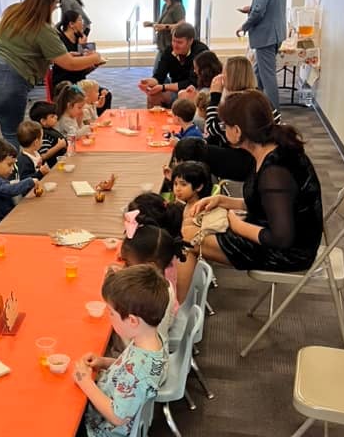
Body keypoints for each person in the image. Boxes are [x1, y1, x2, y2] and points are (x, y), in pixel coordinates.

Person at [176, 90, 323, 302]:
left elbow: (281, 239)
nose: (223, 129)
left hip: (288, 252)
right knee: (190, 222)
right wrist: (224, 201)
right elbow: (270, 205)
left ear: (237, 131)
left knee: (187, 238)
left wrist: (236, 224)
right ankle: (181, 303)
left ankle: (177, 311)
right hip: (280, 233)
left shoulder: (275, 172)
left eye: (225, 125)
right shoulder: (271, 150)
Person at [0, 0, 104, 176]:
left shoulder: (14, 12)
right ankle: (17, 180)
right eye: (55, 5)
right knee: (13, 133)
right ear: (49, 3)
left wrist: (68, 56)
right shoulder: (42, 27)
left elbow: (40, 51)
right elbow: (68, 64)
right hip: (7, 76)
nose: (55, 9)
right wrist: (94, 57)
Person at [69, 265, 168, 437]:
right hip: (102, 417)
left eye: (111, 314)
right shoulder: (149, 341)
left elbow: (118, 416)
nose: (109, 318)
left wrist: (86, 383)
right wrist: (104, 362)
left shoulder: (142, 364)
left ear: (132, 321)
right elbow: (130, 373)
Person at [236, 0, 287, 111]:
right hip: (277, 33)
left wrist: (244, 26)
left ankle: (273, 114)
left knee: (268, 77)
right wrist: (250, 8)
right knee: (257, 73)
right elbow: (271, 5)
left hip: (266, 36)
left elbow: (258, 12)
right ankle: (252, 105)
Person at [120, 215, 186, 334]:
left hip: (148, 340)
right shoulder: (160, 280)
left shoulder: (149, 297)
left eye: (127, 263)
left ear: (150, 266)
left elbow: (130, 329)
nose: (124, 268)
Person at [206, 55, 282, 147]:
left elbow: (212, 128)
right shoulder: (260, 97)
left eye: (224, 72)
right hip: (263, 146)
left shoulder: (234, 103)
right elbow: (277, 120)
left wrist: (215, 97)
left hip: (242, 151)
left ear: (230, 76)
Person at [138, 23, 209, 108]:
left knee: (184, 96)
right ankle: (157, 121)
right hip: (176, 89)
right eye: (173, 41)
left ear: (190, 41)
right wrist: (150, 82)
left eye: (179, 42)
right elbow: (159, 76)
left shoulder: (201, 52)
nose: (175, 45)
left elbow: (193, 82)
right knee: (153, 96)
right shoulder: (169, 50)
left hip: (197, 91)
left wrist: (163, 87)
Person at [0, 138, 35, 230]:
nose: (12, 169)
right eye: (9, 165)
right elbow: (11, 190)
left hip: (8, 217)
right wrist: (30, 181)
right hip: (0, 224)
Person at [143, 0, 185, 72]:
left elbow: (182, 24)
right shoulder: (165, 6)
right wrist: (151, 24)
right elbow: (161, 24)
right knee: (161, 72)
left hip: (171, 46)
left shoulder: (177, 7)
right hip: (163, 46)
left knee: (158, 72)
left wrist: (166, 27)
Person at [28, 101, 67, 168]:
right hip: (52, 167)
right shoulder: (43, 135)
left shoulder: (49, 130)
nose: (56, 117)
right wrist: (58, 146)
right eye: (52, 116)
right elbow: (43, 156)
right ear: (43, 121)